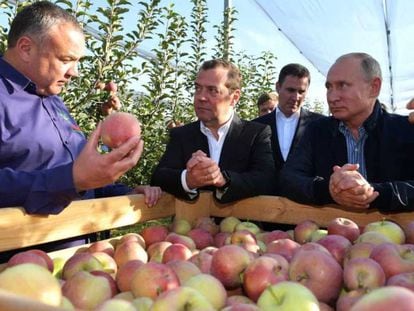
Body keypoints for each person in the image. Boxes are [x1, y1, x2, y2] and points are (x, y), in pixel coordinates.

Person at [0, 1, 161, 259]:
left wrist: (120, 190)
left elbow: (71, 167)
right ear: (26, 48)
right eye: (66, 60)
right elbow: (71, 176)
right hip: (21, 269)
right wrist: (73, 178)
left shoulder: (52, 98)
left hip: (78, 260)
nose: (74, 72)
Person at [280, 52, 414, 211]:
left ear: (374, 87)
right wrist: (329, 190)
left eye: (342, 85)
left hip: (398, 233)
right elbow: (289, 179)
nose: (332, 97)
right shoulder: (316, 131)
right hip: (329, 233)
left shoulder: (405, 130)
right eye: (329, 87)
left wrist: (374, 192)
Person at [151, 59, 276, 203]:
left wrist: (222, 179)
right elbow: (159, 177)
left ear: (234, 97)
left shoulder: (255, 133)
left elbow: (266, 180)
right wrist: (188, 179)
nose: (201, 97)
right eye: (198, 88)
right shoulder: (182, 135)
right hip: (190, 223)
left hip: (241, 224)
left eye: (212, 90)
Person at [254, 63, 323, 177]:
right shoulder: (257, 126)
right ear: (278, 87)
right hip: (266, 194)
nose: (296, 97)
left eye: (301, 92)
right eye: (290, 90)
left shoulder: (320, 125)